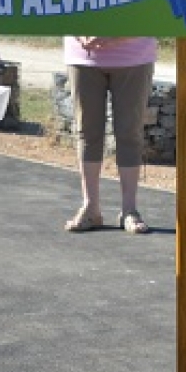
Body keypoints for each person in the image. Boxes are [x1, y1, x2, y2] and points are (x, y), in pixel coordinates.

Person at [63, 36, 157, 234]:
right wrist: (80, 33)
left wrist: (117, 35)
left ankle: (129, 210)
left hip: (134, 56)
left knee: (129, 132)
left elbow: (152, 8)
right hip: (82, 56)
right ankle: (90, 207)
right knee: (87, 131)